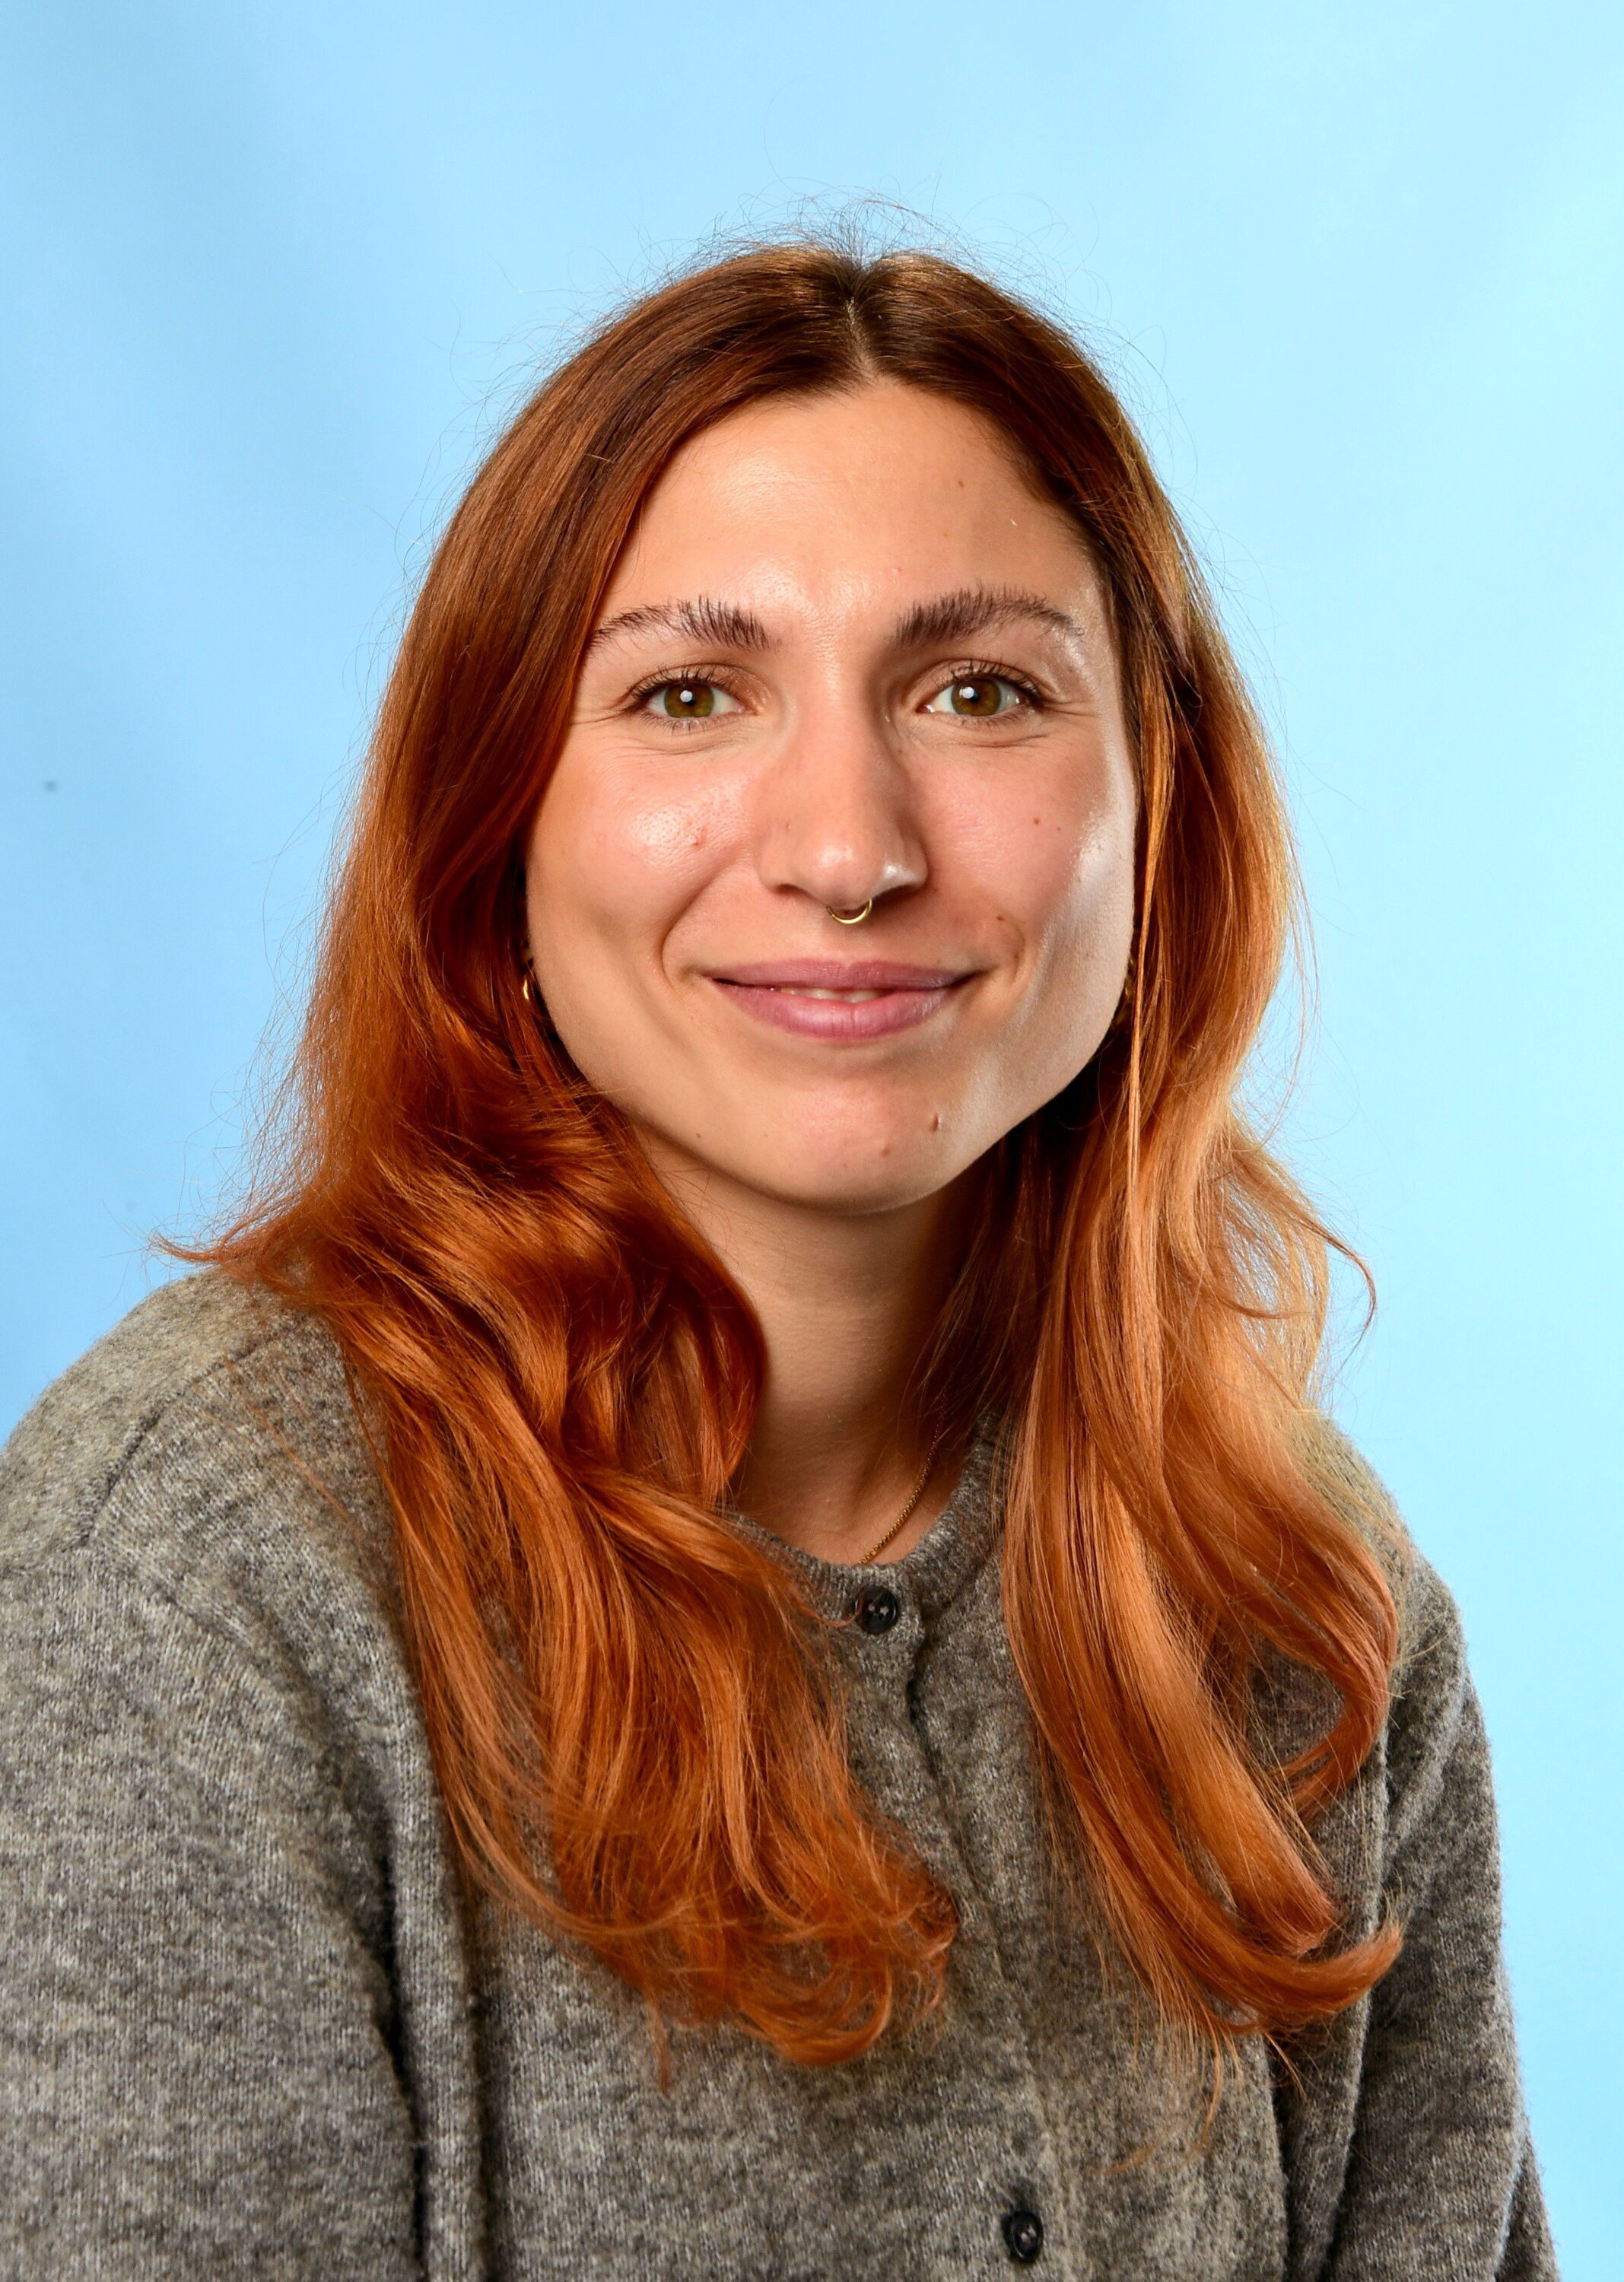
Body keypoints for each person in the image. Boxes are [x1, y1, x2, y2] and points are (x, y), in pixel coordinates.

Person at [0, 238, 1555, 2280]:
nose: (847, 849)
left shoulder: (1297, 1593)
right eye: (688, 695)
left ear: (1159, 807)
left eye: (981, 692)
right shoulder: (194, 1586)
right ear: (498, 821)